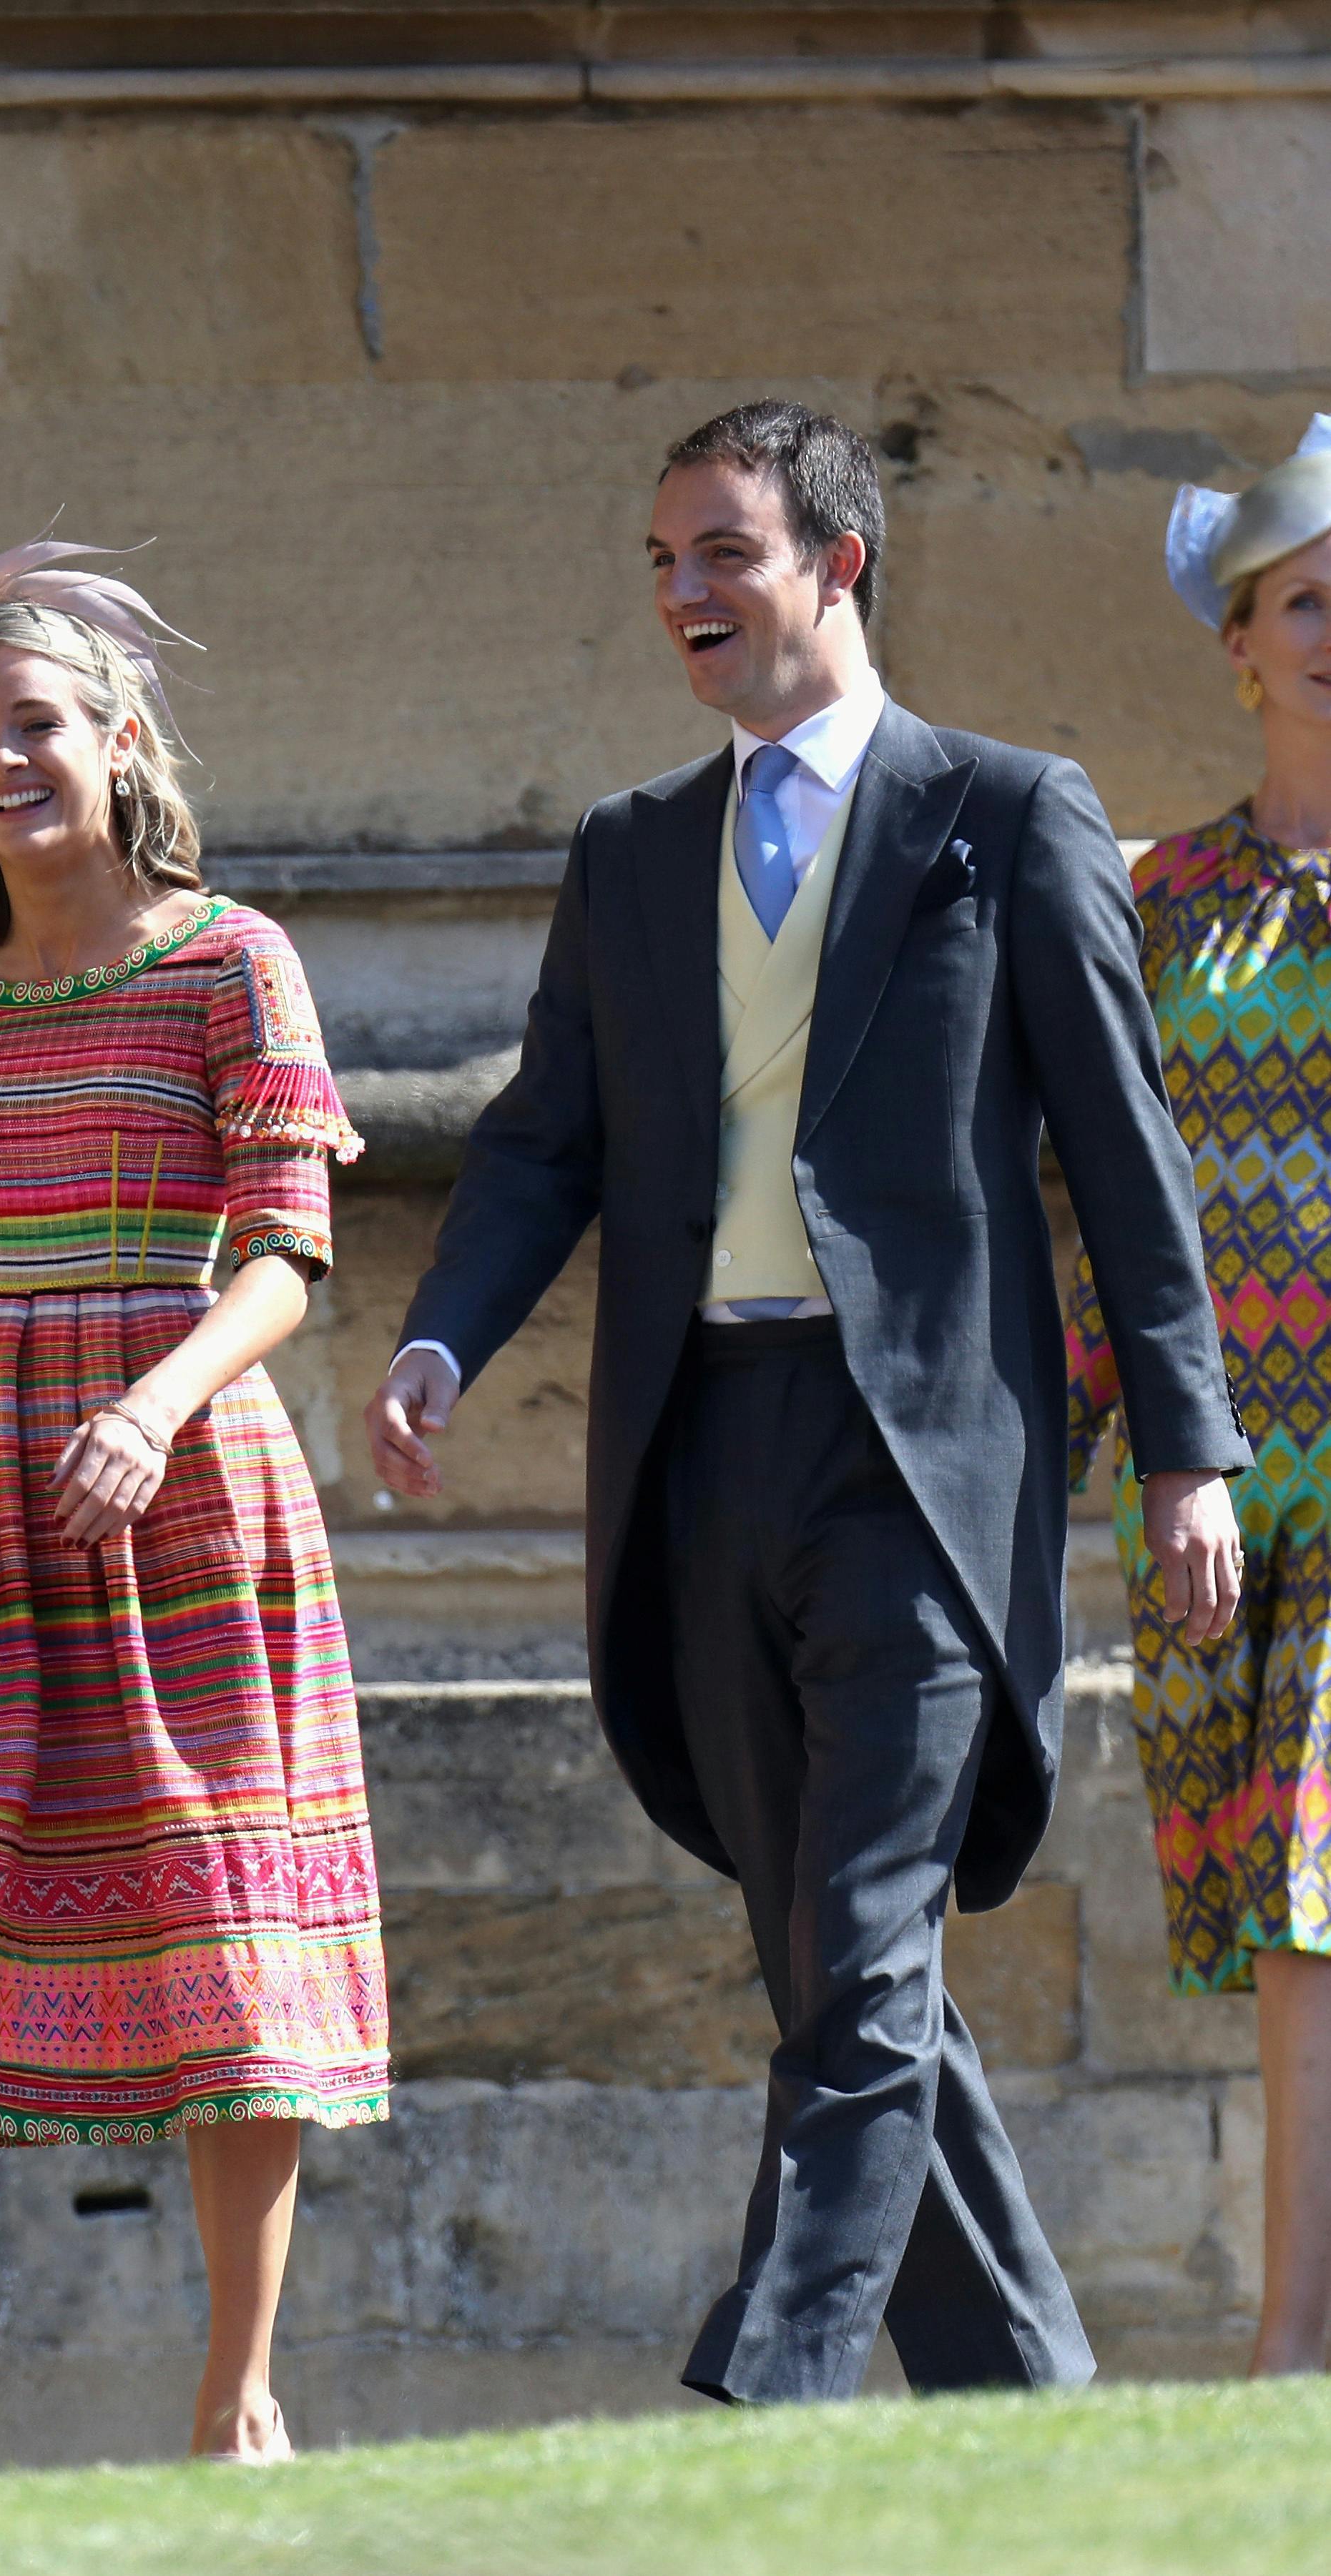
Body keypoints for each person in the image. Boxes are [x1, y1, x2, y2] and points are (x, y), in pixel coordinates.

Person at [365, 400, 1249, 2406]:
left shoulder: (1008, 815)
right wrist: (440, 1338)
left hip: (922, 1461)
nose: (684, 593)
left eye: (723, 552)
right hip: (698, 1454)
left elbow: (1128, 1152)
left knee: (860, 1943)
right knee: (833, 1968)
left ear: (838, 563)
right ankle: (1030, 2394)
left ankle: (761, 2388)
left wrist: (1189, 1444)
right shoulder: (630, 849)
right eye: (663, 562)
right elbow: (541, 1144)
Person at [0, 537, 388, 2480]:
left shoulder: (231, 960)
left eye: (35, 724)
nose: (1, 762)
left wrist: (155, 1397)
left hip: (182, 1492)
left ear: (119, 740)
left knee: (224, 1919)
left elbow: (288, 1256)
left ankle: (241, 2391)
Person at [1066, 417, 1331, 2376]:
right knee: (1289, 1921)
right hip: (1241, 1487)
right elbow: (1092, 1210)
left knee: (1321, 1891)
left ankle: (1289, 2346)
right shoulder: (1151, 901)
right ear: (1238, 643)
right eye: (1308, 598)